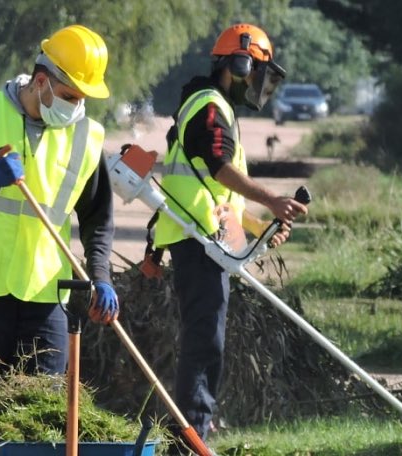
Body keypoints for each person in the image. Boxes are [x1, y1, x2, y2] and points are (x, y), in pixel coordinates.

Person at [0, 23, 118, 414]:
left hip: (45, 294)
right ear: (42, 81)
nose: (76, 107)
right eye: (70, 96)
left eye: (83, 99)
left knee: (41, 412)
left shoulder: (87, 136)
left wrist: (100, 274)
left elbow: (98, 220)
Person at [153, 23, 308, 451]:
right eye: (258, 71)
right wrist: (273, 200)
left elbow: (218, 195)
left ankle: (192, 432)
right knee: (205, 343)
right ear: (239, 65)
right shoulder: (209, 106)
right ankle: (191, 439)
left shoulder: (212, 105)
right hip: (198, 244)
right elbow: (219, 167)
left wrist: (257, 229)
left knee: (207, 341)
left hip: (206, 242)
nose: (260, 83)